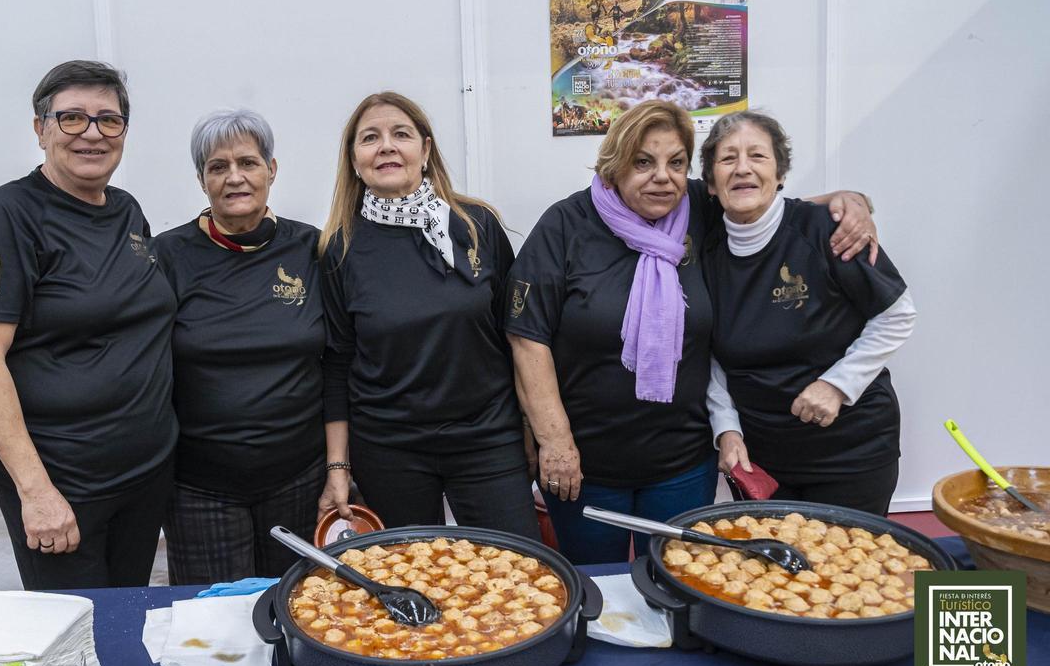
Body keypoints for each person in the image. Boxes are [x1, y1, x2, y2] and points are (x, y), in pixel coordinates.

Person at [505, 100, 879, 564]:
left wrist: (850, 201)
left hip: (682, 463)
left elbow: (769, 204)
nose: (662, 177)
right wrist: (555, 442)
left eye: (676, 163)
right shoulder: (565, 225)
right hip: (585, 465)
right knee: (595, 584)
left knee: (678, 583)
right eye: (643, 162)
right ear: (613, 166)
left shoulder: (699, 209)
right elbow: (527, 337)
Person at [0, 60, 177, 589]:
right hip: (64, 485)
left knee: (129, 616)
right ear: (41, 129)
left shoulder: (127, 211)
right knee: (77, 630)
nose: (92, 134)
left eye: (109, 119)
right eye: (72, 118)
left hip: (144, 473)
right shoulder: (7, 216)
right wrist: (36, 492)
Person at [317, 91, 540, 542]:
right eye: (370, 138)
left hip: (486, 439)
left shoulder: (477, 225)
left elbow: (517, 336)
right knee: (411, 575)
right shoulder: (339, 248)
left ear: (425, 149)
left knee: (518, 565)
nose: (386, 146)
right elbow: (337, 363)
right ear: (354, 160)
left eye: (400, 134)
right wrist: (338, 467)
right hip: (389, 449)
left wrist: (534, 429)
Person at [700, 110, 915, 516]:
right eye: (728, 158)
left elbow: (897, 313)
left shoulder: (825, 229)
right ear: (711, 183)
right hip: (763, 459)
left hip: (851, 453)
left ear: (780, 174)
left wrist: (837, 385)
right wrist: (726, 429)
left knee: (850, 558)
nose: (742, 168)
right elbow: (709, 354)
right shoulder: (706, 252)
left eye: (757, 156)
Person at [153, 109, 325, 581]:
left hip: (301, 480)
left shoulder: (312, 249)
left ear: (271, 169)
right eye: (218, 167)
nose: (234, 177)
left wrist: (339, 468)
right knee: (212, 617)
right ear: (201, 180)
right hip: (199, 489)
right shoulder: (166, 255)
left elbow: (339, 362)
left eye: (248, 163)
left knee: (299, 610)